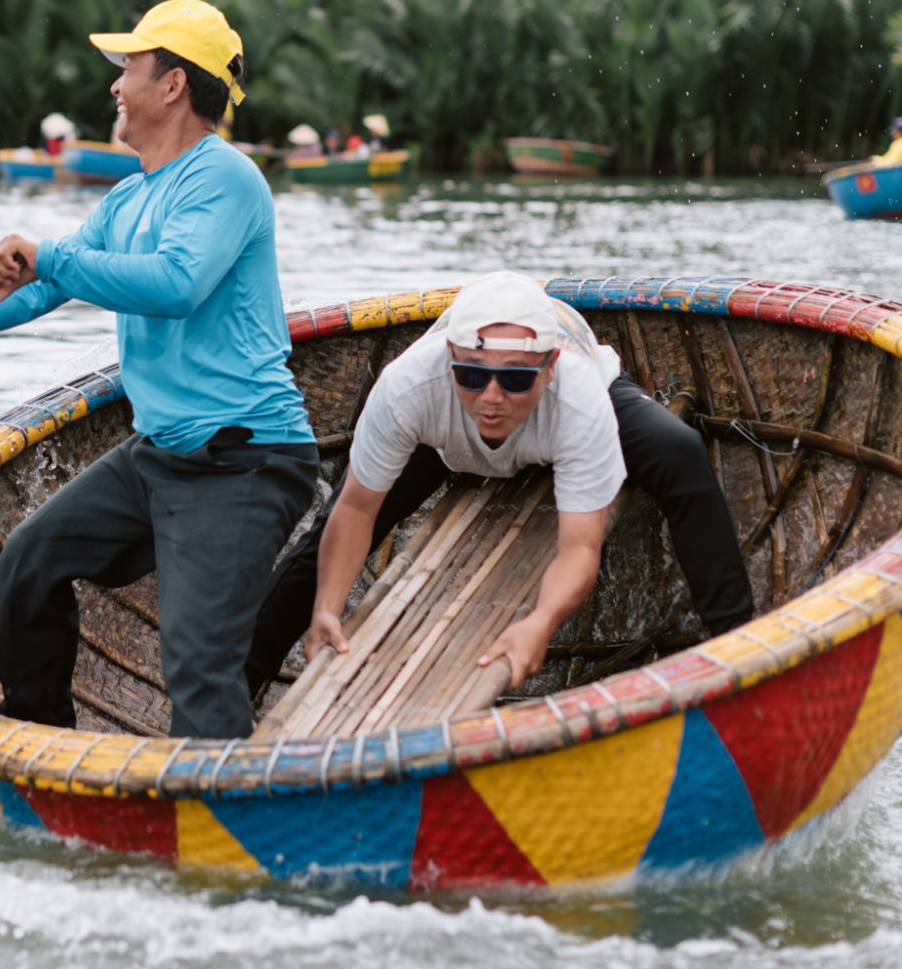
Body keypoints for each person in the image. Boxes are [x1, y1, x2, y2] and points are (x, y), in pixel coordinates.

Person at [0, 0, 319, 740]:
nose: (114, 87)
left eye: (129, 69)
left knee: (198, 665)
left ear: (173, 84)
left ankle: (216, 824)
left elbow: (176, 284)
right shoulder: (129, 196)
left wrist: (48, 253)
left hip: (246, 459)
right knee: (29, 561)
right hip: (162, 453)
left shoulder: (226, 179)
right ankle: (39, 734)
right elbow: (45, 287)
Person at [247, 271, 755, 696]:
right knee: (332, 524)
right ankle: (238, 682)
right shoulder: (409, 387)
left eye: (514, 379)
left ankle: (739, 647)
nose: (492, 398)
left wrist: (542, 620)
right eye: (473, 376)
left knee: (679, 451)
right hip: (448, 439)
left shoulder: (580, 397)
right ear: (449, 359)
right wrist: (327, 608)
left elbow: (580, 545)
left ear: (549, 369)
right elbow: (357, 511)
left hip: (559, 420)